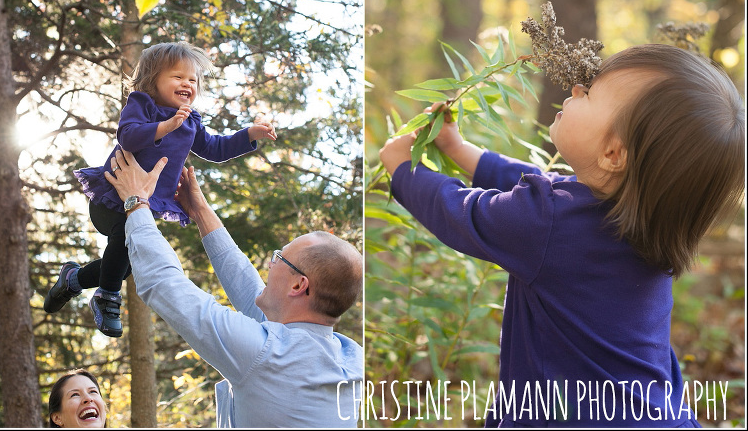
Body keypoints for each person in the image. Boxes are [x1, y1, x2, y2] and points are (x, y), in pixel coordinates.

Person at [378, 44, 744, 427]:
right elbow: (546, 191)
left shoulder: (548, 221)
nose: (575, 90)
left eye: (590, 93)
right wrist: (459, 149)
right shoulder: (644, 222)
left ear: (613, 154)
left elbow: (461, 211)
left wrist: (403, 169)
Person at [104, 148, 364, 427]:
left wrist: (136, 201)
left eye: (279, 258)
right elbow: (252, 295)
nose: (269, 264)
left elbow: (165, 285)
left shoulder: (267, 355)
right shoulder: (352, 357)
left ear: (299, 284)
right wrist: (200, 211)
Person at [43, 42, 277, 338]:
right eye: (177, 77)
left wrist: (249, 135)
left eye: (192, 79)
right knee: (122, 253)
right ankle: (106, 297)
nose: (187, 84)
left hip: (140, 206)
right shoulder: (142, 104)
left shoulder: (190, 120)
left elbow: (215, 148)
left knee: (124, 263)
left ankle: (73, 280)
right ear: (152, 80)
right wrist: (165, 127)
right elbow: (127, 136)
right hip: (112, 198)